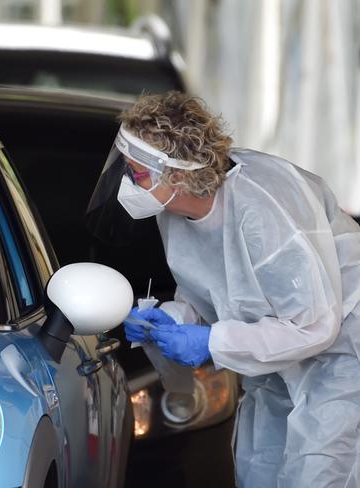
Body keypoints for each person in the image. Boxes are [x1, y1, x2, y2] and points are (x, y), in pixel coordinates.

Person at [86, 91, 360, 487]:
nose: (127, 181)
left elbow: (313, 324)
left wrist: (211, 341)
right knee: (259, 469)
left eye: (137, 172)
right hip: (275, 360)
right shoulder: (174, 211)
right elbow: (215, 291)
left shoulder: (263, 212)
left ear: (178, 175)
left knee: (319, 472)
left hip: (342, 357)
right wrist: (173, 319)